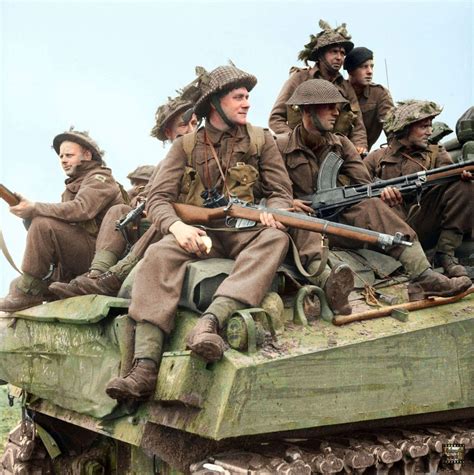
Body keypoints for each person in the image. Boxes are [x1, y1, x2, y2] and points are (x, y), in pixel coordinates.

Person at [104, 64, 294, 402]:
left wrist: (272, 212)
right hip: (200, 231)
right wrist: (177, 227)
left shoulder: (261, 140)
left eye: (248, 97)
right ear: (215, 105)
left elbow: (281, 190)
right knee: (158, 255)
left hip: (245, 230)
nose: (247, 103)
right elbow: (158, 199)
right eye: (238, 97)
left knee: (276, 239)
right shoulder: (186, 146)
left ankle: (210, 323)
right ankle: (144, 368)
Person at [275, 80, 471, 303]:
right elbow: (272, 188)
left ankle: (423, 276)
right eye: (329, 106)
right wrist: (289, 202)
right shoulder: (280, 146)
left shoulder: (341, 144)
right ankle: (330, 285)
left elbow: (365, 184)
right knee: (299, 219)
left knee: (371, 204)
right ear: (308, 110)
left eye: (336, 106)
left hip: (339, 222)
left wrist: (382, 192)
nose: (336, 112)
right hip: (304, 223)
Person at [49, 96, 198, 299]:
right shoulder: (166, 164)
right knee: (119, 211)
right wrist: (141, 202)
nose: (191, 130)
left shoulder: (206, 156)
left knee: (163, 221)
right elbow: (149, 193)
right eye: (183, 125)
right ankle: (97, 274)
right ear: (168, 133)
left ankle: (115, 277)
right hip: (158, 221)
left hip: (185, 224)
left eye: (194, 123)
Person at [0, 129, 125, 312]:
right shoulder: (72, 187)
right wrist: (28, 214)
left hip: (101, 257)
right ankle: (31, 288)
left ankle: (29, 292)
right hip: (79, 254)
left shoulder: (100, 178)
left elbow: (81, 209)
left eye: (69, 155)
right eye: (61, 156)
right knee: (16, 283)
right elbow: (61, 227)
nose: (64, 160)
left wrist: (35, 208)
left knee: (43, 224)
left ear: (87, 155)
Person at [365, 100, 473, 278]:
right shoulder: (377, 158)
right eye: (424, 126)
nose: (430, 132)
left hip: (425, 220)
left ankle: (445, 255)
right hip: (391, 227)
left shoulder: (436, 153)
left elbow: (449, 179)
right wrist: (379, 194)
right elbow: (357, 187)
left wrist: (460, 177)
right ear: (406, 127)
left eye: (430, 126)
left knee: (463, 186)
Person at [269, 20, 368, 153]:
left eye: (342, 53)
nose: (339, 57)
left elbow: (358, 124)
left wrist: (359, 145)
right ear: (320, 55)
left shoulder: (345, 87)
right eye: (334, 52)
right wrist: (294, 140)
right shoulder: (299, 79)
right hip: (300, 150)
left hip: (334, 150)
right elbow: (276, 118)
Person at [343, 47, 394, 151]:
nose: (370, 71)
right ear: (350, 70)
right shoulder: (339, 91)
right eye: (364, 67)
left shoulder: (379, 94)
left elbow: (391, 127)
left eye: (372, 66)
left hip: (362, 153)